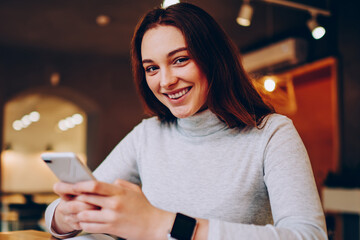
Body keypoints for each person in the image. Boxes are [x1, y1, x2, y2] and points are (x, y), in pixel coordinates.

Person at [45, 3, 328, 240]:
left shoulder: (272, 134)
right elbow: (52, 217)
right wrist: (66, 216)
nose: (166, 81)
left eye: (180, 60)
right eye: (152, 68)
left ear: (214, 60)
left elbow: (308, 235)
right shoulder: (148, 135)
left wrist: (164, 224)